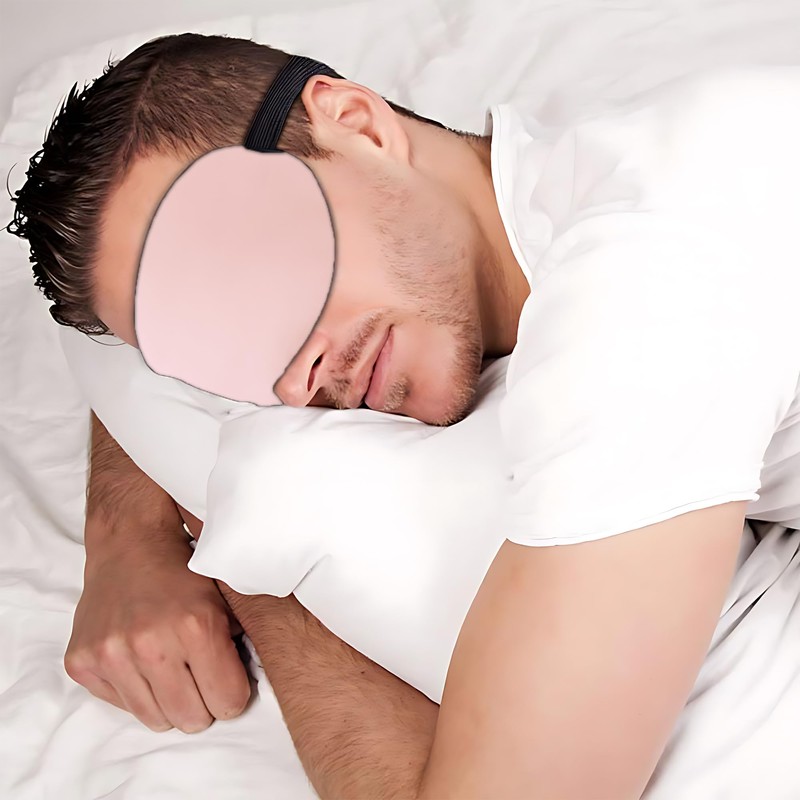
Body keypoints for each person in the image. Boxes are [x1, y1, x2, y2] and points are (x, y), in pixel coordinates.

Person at [6, 31, 800, 799]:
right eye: (211, 350)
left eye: (257, 272)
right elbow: (108, 345)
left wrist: (256, 577)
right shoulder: (557, 196)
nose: (294, 383)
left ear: (357, 122)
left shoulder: (647, 288)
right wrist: (128, 535)